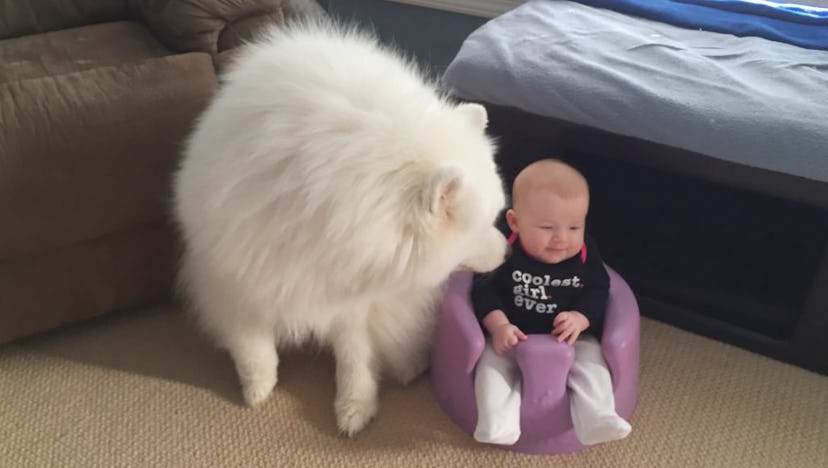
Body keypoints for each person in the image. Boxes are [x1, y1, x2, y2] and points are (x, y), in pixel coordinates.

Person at [471, 158, 632, 446]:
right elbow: (482, 289)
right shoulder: (504, 251)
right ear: (515, 222)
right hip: (512, 335)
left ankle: (597, 417)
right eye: (547, 227)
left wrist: (580, 318)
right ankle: (497, 422)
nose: (562, 239)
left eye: (574, 227)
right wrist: (499, 326)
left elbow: (599, 288)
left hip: (569, 338)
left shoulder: (584, 252)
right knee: (490, 365)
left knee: (593, 364)